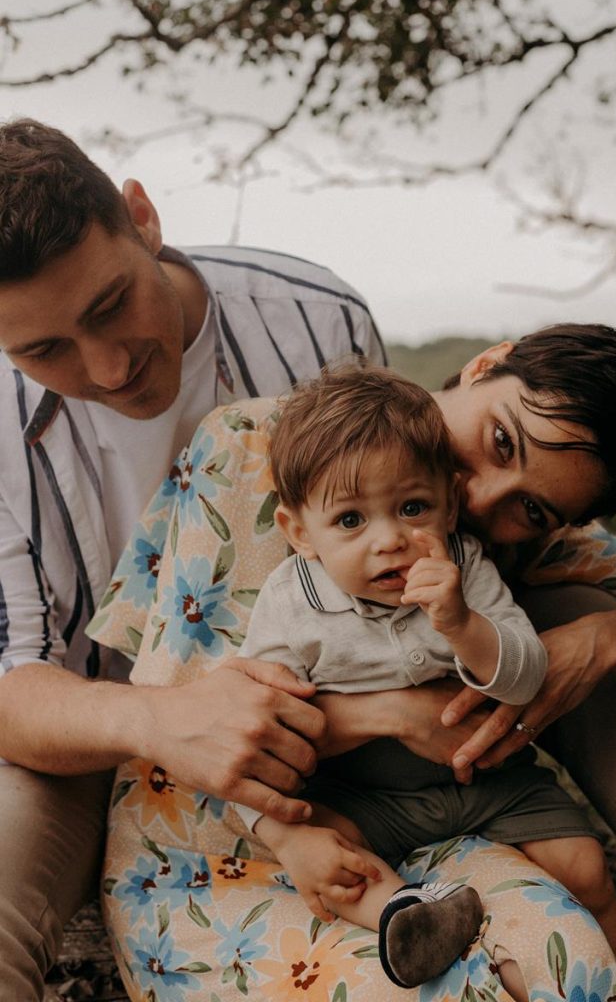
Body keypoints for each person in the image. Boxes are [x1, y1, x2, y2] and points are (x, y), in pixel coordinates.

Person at [0, 116, 385, 1000]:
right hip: (73, 747)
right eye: (43, 349)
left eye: (108, 307)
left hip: (318, 730)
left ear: (142, 217)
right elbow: (9, 680)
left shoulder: (322, 321)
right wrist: (161, 722)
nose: (104, 368)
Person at [233, 364, 616, 987]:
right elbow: (262, 729)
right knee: (325, 850)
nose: (389, 539)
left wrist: (461, 622)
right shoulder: (290, 602)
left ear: (449, 506)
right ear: (298, 532)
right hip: (367, 797)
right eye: (350, 521)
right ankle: (404, 915)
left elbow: (526, 677)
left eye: (412, 507)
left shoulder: (465, 570)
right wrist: (282, 829)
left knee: (586, 869)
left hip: (492, 784)